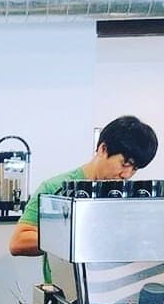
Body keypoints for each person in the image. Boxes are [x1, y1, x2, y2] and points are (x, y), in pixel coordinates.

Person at [9, 115, 158, 281]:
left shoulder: (130, 196)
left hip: (119, 289)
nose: (127, 174)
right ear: (103, 149)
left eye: (134, 169)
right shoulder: (55, 188)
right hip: (66, 291)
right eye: (125, 164)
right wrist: (76, 237)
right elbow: (18, 242)